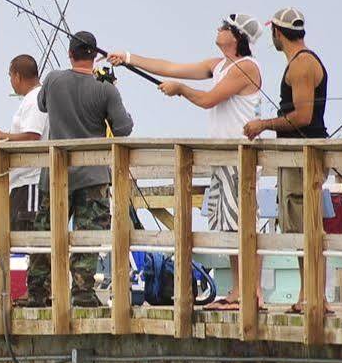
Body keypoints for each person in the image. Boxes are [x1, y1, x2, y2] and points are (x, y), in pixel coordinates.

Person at [108, 15, 264, 309]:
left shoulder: (246, 67)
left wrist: (180, 89)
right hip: (223, 157)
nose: (217, 29)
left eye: (224, 27)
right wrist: (127, 58)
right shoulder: (218, 65)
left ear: (236, 37)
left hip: (240, 156)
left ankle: (250, 291)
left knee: (242, 225)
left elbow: (208, 100)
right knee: (228, 227)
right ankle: (238, 291)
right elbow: (170, 67)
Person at [38, 31, 134, 308]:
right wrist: (110, 88)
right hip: (93, 175)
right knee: (88, 234)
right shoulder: (104, 87)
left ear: (70, 53)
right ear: (94, 56)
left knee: (45, 232)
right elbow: (123, 129)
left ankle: (38, 291)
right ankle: (82, 292)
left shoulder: (53, 79)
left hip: (54, 172)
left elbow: (41, 105)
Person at [242, 7, 326, 244]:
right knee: (295, 223)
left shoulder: (301, 64)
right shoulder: (302, 61)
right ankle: (306, 282)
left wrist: (263, 124)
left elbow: (302, 117)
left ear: (277, 32)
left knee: (300, 226)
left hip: (302, 156)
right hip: (298, 155)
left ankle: (309, 282)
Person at [0, 55, 50, 304]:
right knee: (23, 235)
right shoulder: (32, 99)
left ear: (16, 75)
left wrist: (2, 136)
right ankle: (35, 289)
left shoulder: (35, 99)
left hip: (31, 179)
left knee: (32, 234)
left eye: (10, 76)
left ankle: (38, 291)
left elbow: (33, 136)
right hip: (22, 180)